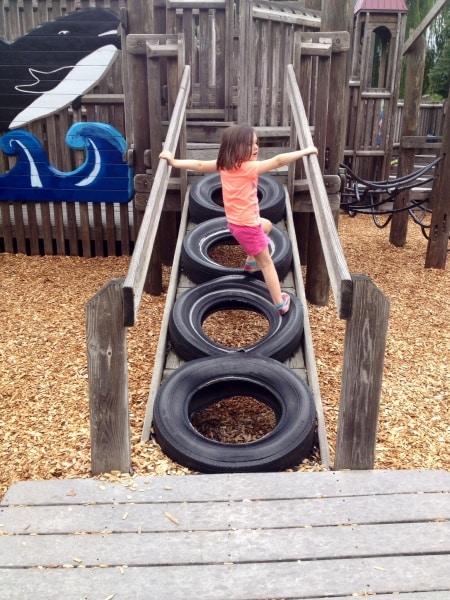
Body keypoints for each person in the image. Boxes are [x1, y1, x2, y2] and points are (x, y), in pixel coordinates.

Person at [160, 124, 318, 315]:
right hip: (248, 227)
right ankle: (279, 303)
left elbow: (199, 165)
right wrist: (306, 151)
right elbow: (278, 160)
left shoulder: (225, 165)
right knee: (268, 264)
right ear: (235, 147)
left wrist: (174, 162)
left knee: (266, 225)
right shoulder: (249, 168)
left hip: (236, 224)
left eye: (256, 143)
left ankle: (250, 263)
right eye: (250, 144)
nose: (256, 147)